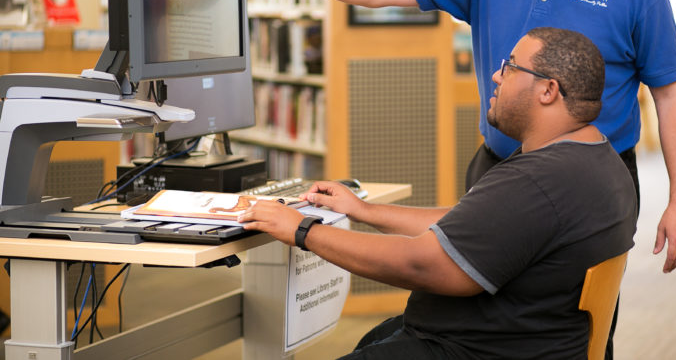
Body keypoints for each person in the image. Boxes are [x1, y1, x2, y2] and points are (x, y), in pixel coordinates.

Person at [240, 0, 676, 276]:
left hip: (588, 182)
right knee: (469, 299)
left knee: (566, 319)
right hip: (498, 167)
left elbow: (670, 93)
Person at [238, 27, 637, 359]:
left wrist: (303, 230)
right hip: (523, 339)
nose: (496, 76)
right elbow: (471, 225)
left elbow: (423, 265)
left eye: (510, 67)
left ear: (548, 90)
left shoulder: (541, 180)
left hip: (477, 350)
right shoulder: (594, 157)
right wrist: (364, 211)